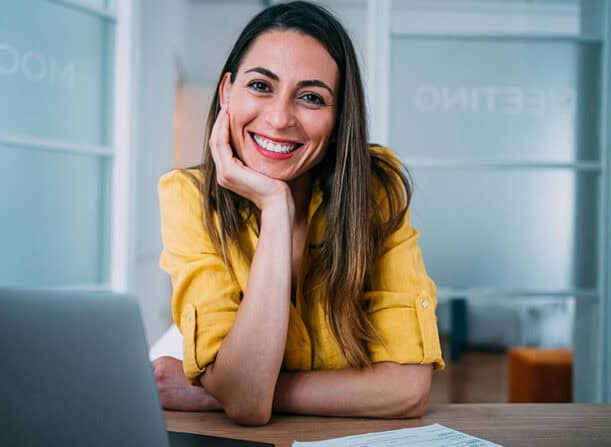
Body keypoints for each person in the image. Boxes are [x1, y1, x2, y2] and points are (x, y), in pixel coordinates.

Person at [153, 1, 443, 426]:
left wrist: (221, 393)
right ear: (226, 93)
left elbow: (407, 391)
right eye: (260, 86)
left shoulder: (376, 189)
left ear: (339, 115)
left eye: (311, 97)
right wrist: (274, 207)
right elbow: (248, 404)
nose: (279, 117)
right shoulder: (188, 198)